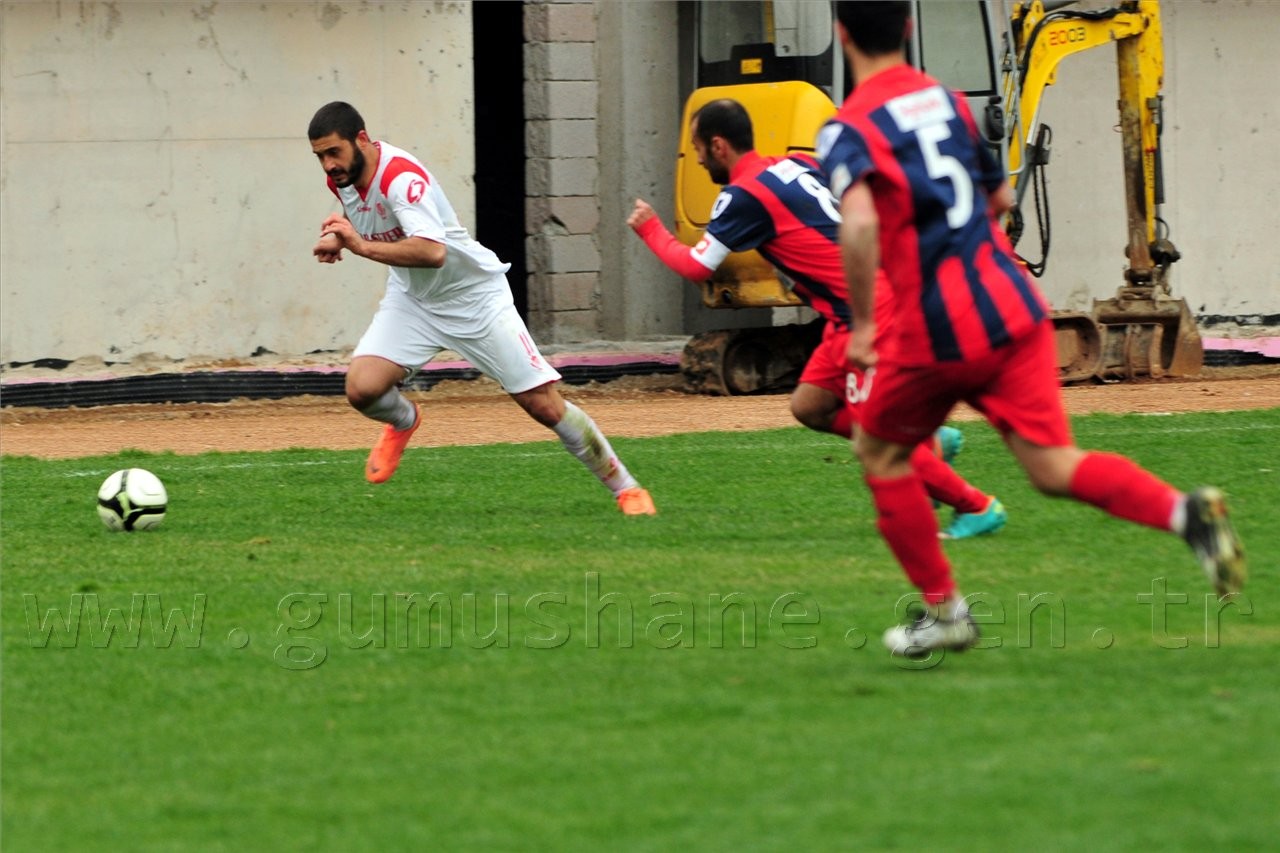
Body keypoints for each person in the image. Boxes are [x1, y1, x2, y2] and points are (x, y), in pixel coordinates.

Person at [819, 1, 1245, 656]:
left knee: (881, 453)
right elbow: (1001, 199)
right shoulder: (949, 104)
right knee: (1051, 466)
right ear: (909, 27)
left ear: (841, 33)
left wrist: (867, 324)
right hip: (1013, 305)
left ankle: (948, 611)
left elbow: (860, 222)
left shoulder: (847, 128)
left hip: (937, 325)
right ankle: (1183, 513)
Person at [627, 98, 1004, 539]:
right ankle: (933, 444)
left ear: (718, 145)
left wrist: (651, 229)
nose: (696, 157)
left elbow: (697, 266)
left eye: (697, 148)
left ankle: (976, 507)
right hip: (851, 312)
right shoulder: (793, 165)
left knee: (878, 439)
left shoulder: (742, 195)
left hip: (869, 312)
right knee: (810, 405)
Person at [306, 101, 656, 515]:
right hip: (414, 301)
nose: (328, 165)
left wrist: (358, 245)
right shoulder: (342, 179)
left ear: (362, 139)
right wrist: (337, 235)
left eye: (334, 152)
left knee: (542, 405)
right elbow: (358, 210)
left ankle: (626, 488)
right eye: (320, 157)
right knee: (362, 389)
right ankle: (404, 421)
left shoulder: (402, 178)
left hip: (473, 298)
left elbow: (432, 252)